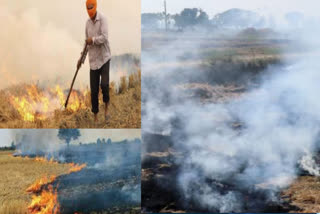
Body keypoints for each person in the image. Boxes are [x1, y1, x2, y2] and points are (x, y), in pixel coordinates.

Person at [78, 0, 111, 123]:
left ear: (95, 7)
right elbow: (87, 43)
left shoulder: (103, 19)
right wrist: (81, 59)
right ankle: (96, 116)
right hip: (93, 62)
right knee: (94, 91)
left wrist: (93, 40)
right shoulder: (87, 24)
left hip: (104, 58)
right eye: (88, 10)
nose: (90, 13)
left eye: (91, 9)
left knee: (104, 85)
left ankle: (107, 107)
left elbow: (104, 37)